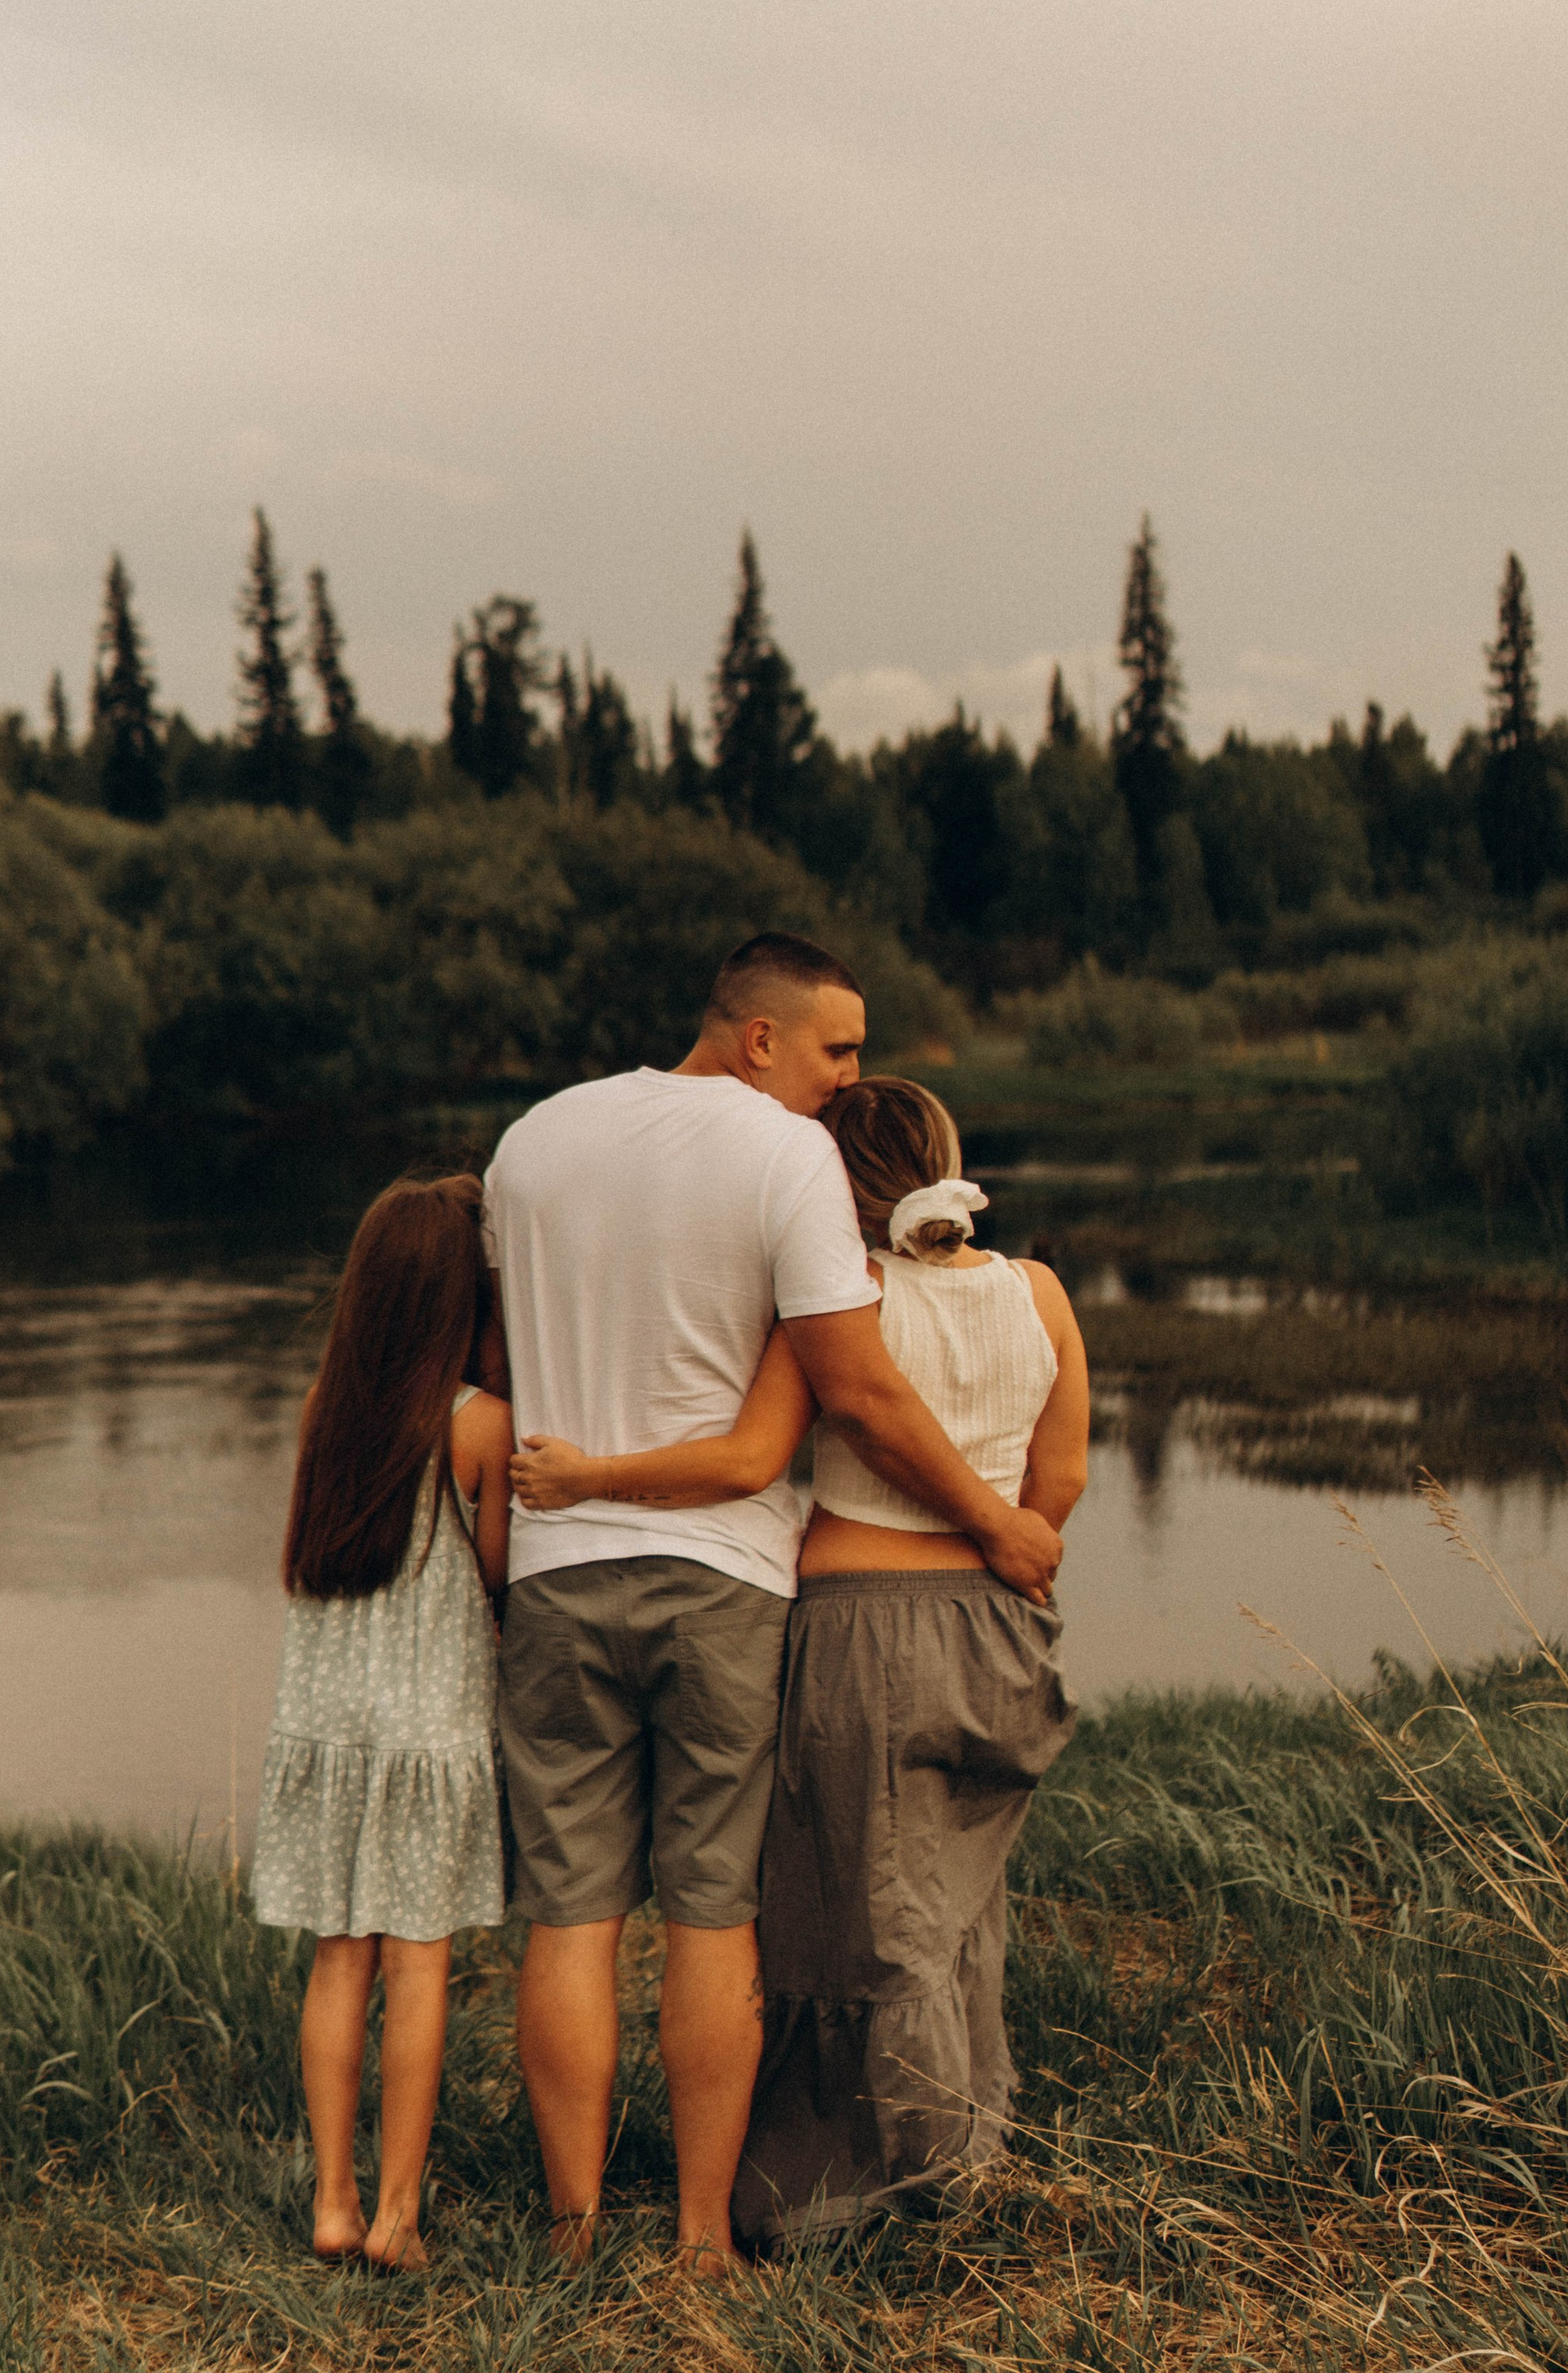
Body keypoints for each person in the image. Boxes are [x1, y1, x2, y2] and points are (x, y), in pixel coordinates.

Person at [484, 933, 1062, 2270]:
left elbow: (505, 1359)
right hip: (726, 1579)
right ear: (760, 1040)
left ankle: (570, 2233)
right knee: (711, 1916)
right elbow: (855, 1385)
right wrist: (994, 1524)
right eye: (837, 1050)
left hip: (562, 1569)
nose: (849, 1080)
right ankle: (698, 2241)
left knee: (569, 1916)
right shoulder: (785, 1152)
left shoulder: (536, 1138)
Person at [250, 1173, 514, 2271]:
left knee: (337, 1962)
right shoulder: (477, 1426)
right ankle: (399, 2217)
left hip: (328, 1726)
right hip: (425, 1728)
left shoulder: (327, 1414)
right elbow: (501, 1584)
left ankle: (333, 2202)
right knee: (420, 1971)